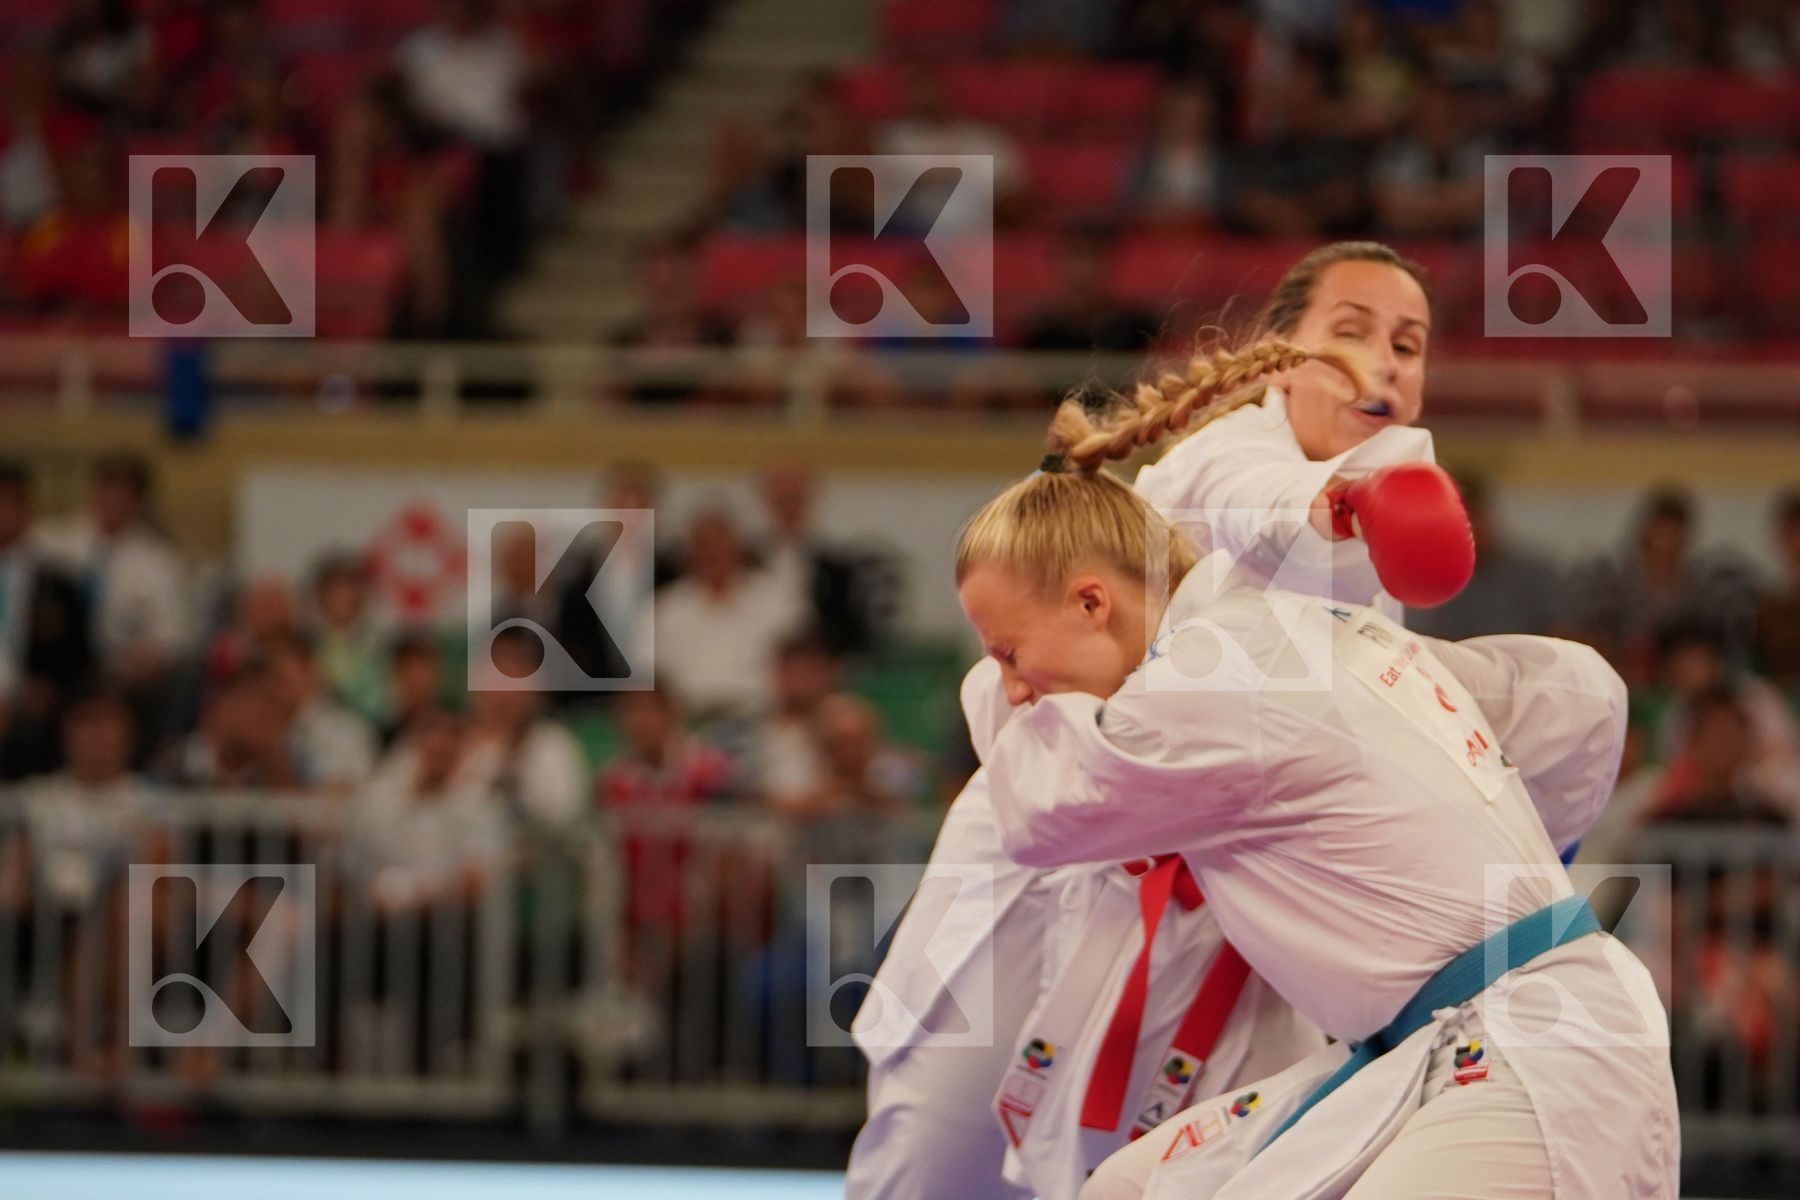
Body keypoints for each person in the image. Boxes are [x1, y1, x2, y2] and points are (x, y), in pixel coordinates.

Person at [846, 243, 1623, 1200]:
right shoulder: (1222, 463)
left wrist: (1501, 882)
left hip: (1251, 923)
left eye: (1409, 345)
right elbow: (1261, 506)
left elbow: (1539, 711)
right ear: (1281, 353)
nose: (1382, 360)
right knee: (935, 1171)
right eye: (1349, 330)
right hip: (1061, 873)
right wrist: (1352, 500)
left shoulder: (1359, 613)